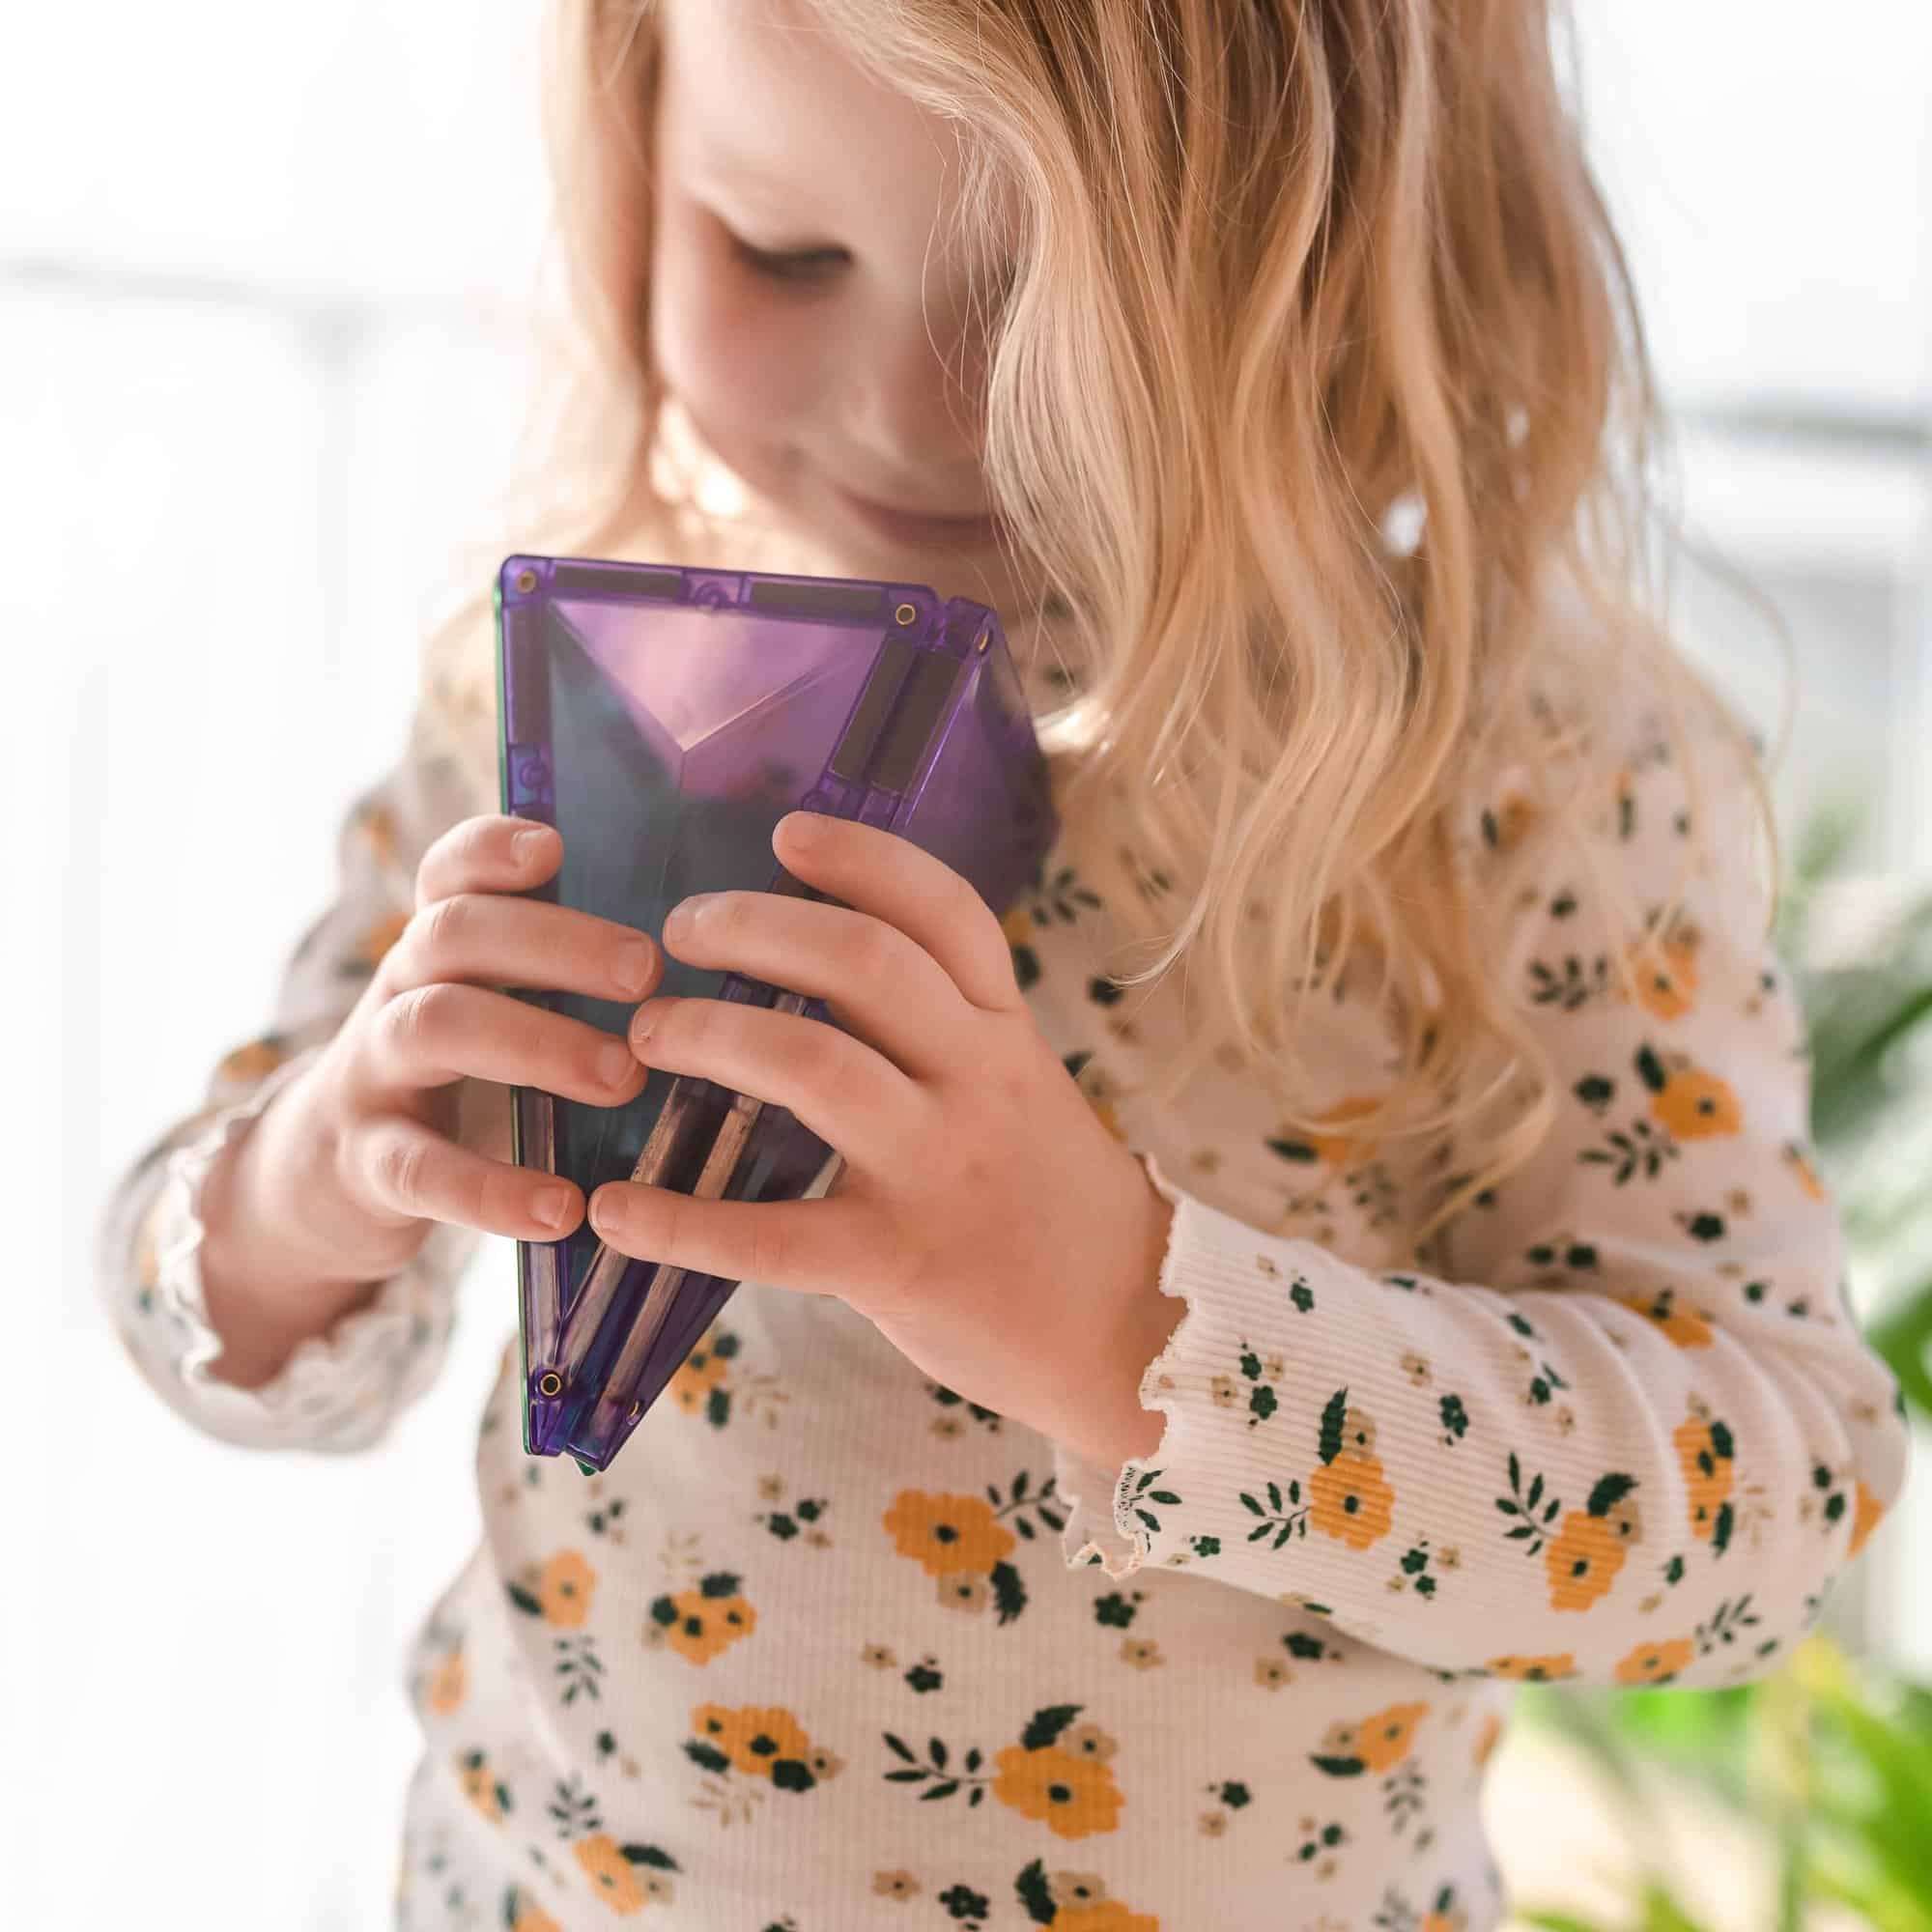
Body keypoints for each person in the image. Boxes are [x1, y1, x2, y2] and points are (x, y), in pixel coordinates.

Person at [95, 1, 1910, 1926]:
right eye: (780, 253)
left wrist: (1127, 1319)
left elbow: (1772, 1511)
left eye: (1049, 298)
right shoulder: (570, 696)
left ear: (1347, 253)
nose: (903, 412)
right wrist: (316, 1175)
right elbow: (196, 1322)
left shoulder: (1519, 773)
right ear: (635, 174)